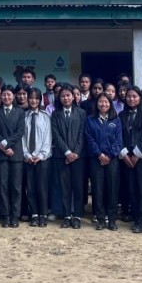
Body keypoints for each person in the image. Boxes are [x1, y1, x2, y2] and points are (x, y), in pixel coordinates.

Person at [86, 94, 122, 230]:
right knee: (98, 190)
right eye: (100, 102)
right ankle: (100, 219)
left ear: (110, 104)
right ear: (96, 104)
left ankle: (112, 220)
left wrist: (109, 155)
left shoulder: (116, 120)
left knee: (112, 190)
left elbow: (119, 141)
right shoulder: (90, 120)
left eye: (106, 102)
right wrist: (99, 154)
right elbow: (89, 139)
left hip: (112, 160)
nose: (103, 104)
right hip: (96, 160)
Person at [52, 86, 86, 229]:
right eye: (63, 96)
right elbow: (56, 135)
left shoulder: (82, 113)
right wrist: (67, 152)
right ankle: (66, 215)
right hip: (62, 156)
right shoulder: (55, 114)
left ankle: (77, 216)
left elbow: (82, 134)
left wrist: (75, 153)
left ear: (74, 97)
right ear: (59, 98)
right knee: (64, 187)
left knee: (78, 187)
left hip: (79, 157)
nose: (66, 98)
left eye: (68, 95)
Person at [119, 87, 142, 233]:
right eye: (128, 96)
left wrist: (136, 154)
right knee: (132, 188)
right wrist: (125, 153)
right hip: (126, 157)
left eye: (134, 96)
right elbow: (118, 135)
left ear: (140, 98)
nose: (131, 99)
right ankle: (135, 215)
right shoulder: (121, 115)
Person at [0, 85, 26, 228]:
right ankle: (5, 215)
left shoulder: (20, 112)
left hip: (16, 153)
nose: (6, 97)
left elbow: (20, 131)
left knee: (16, 186)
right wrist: (3, 145)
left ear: (13, 97)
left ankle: (15, 215)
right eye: (4, 95)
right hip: (1, 153)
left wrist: (8, 144)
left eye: (9, 95)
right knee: (3, 186)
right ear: (1, 96)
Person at [23, 88, 52, 227]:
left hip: (43, 158)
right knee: (31, 187)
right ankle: (34, 213)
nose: (33, 101)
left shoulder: (46, 116)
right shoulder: (24, 116)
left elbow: (48, 138)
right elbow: (22, 138)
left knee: (42, 187)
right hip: (28, 158)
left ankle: (43, 214)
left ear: (40, 100)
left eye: (36, 98)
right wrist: (27, 155)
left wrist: (40, 155)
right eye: (31, 98)